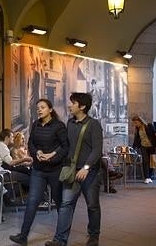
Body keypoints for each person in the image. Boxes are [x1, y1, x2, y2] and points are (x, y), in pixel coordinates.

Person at [45, 92, 103, 246]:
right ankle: (60, 240)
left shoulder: (94, 125)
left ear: (82, 106)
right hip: (72, 171)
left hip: (90, 173)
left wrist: (86, 168)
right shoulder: (70, 123)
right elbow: (66, 146)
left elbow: (97, 150)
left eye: (73, 103)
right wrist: (52, 153)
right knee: (66, 205)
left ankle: (93, 236)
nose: (69, 105)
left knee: (92, 205)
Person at [9, 98, 69, 246]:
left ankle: (60, 239)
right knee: (32, 202)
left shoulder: (59, 126)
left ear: (50, 109)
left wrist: (52, 155)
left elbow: (65, 147)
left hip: (55, 170)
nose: (39, 110)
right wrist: (37, 153)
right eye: (37, 108)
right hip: (38, 171)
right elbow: (31, 143)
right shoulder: (35, 124)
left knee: (60, 203)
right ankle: (23, 236)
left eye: (42, 107)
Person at [0, 128, 33, 195]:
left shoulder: (0, 145)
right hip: (0, 174)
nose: (13, 138)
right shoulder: (2, 147)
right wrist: (25, 159)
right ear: (7, 138)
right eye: (12, 137)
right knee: (26, 177)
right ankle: (36, 195)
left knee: (25, 172)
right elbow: (11, 162)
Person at [132, 115, 156, 184]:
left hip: (152, 146)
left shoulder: (149, 126)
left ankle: (150, 176)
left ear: (140, 121)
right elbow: (136, 139)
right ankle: (146, 177)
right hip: (143, 146)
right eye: (134, 123)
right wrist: (134, 147)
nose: (135, 124)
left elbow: (155, 135)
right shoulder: (137, 129)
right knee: (145, 161)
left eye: (136, 123)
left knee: (152, 162)